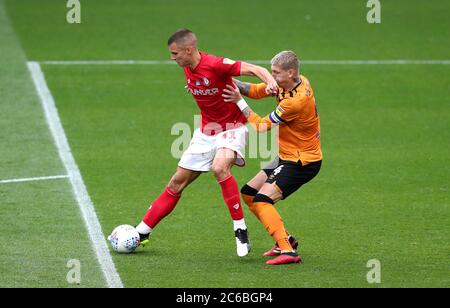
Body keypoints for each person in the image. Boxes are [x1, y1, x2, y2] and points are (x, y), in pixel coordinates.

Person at [134, 29, 278, 257]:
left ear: (189, 50)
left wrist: (270, 83)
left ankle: (240, 229)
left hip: (233, 127)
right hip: (206, 131)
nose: (172, 58)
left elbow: (256, 69)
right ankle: (141, 232)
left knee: (219, 167)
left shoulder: (216, 64)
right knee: (176, 183)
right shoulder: (187, 68)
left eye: (175, 54)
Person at [222, 50, 322, 264]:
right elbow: (256, 90)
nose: (271, 76)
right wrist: (226, 80)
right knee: (249, 193)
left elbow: (260, 126)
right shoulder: (294, 82)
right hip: (287, 155)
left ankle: (288, 252)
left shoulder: (294, 102)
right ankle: (285, 240)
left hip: (302, 162)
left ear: (290, 72)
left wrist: (239, 102)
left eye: (276, 73)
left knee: (263, 200)